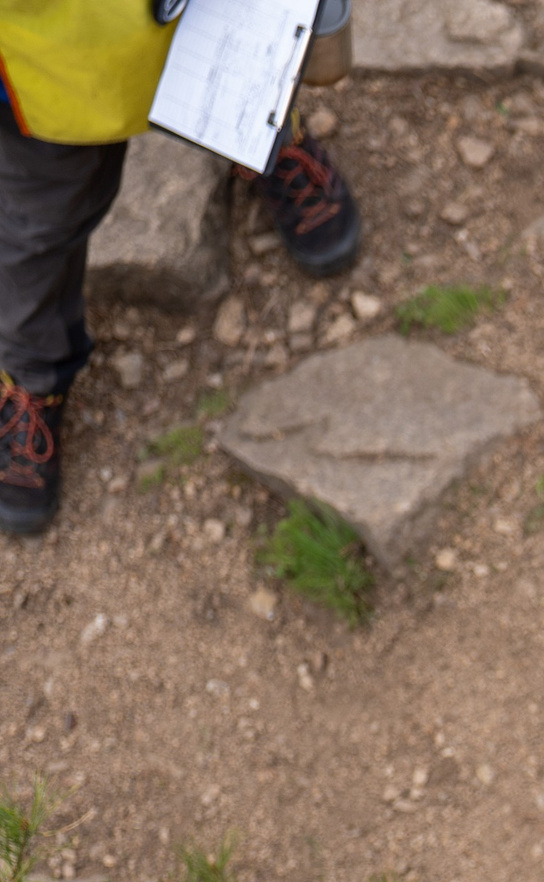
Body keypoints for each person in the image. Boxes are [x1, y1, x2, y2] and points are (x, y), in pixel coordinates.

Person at [0, 10, 363, 535]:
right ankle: (31, 374)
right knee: (38, 223)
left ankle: (266, 143)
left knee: (246, 78)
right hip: (41, 58)